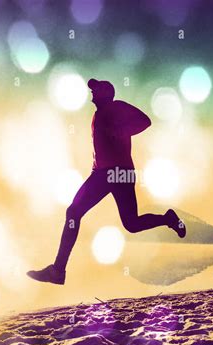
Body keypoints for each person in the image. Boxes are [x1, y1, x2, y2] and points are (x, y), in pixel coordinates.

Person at [27, 79, 186, 285]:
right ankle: (168, 219)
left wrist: (123, 130)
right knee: (128, 222)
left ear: (105, 93)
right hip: (103, 173)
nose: (91, 93)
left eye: (95, 90)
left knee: (80, 214)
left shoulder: (116, 107)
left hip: (116, 173)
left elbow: (145, 121)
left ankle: (57, 271)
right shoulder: (99, 114)